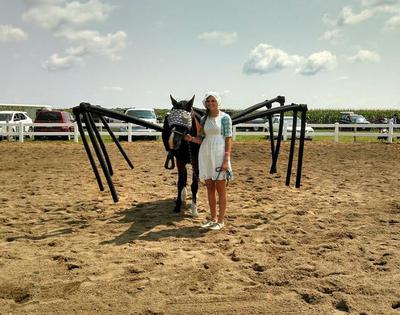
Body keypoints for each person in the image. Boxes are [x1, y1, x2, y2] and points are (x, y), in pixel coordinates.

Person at [185, 92, 233, 231]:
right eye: (208, 101)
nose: (211, 103)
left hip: (219, 153)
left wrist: (226, 159)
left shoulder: (225, 118)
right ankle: (213, 219)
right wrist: (191, 139)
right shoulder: (204, 119)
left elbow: (228, 138)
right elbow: (202, 139)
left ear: (218, 102)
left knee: (221, 189)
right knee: (210, 188)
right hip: (205, 153)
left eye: (213, 100)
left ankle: (221, 221)